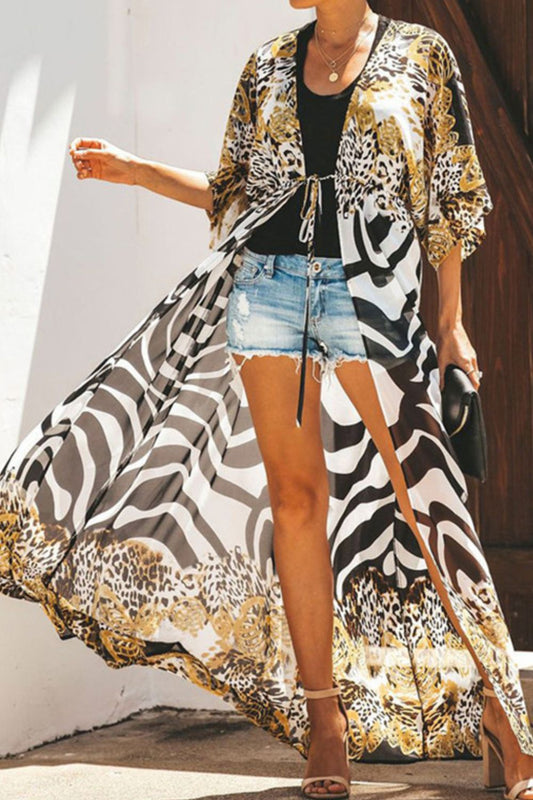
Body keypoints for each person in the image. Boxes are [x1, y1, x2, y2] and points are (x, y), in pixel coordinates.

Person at [2, 2, 533, 799]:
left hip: (372, 300)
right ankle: (325, 725)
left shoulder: (421, 56)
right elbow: (233, 195)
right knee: (294, 501)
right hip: (268, 293)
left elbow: (450, 197)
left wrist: (450, 323)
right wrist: (137, 171)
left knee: (426, 502)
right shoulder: (266, 66)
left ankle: (502, 712)